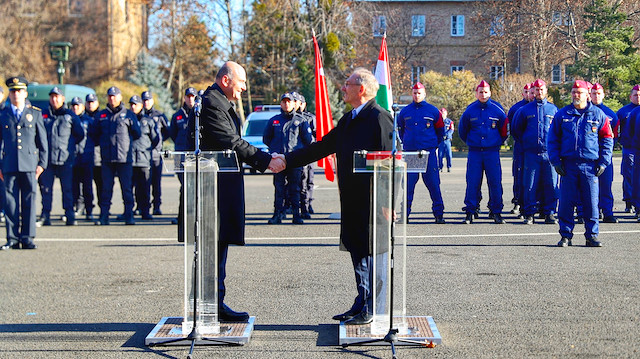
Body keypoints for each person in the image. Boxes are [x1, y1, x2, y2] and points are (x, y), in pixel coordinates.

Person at [281, 68, 396, 326]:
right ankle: (361, 300)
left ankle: (372, 308)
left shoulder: (380, 118)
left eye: (347, 84)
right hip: (352, 199)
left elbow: (390, 163)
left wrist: (389, 201)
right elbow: (321, 147)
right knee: (357, 249)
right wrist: (286, 159)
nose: (342, 88)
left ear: (361, 88)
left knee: (372, 252)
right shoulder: (348, 119)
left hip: (373, 200)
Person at [197, 61, 284, 322]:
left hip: (220, 187)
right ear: (226, 80)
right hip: (214, 191)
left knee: (219, 248)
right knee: (214, 248)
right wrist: (265, 159)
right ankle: (211, 305)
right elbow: (231, 141)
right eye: (242, 82)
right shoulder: (213, 104)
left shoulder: (219, 101)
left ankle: (215, 302)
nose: (245, 88)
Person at [547, 80, 613, 247]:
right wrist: (555, 161)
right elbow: (552, 139)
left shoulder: (598, 115)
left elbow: (607, 138)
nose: (576, 95)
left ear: (587, 94)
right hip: (568, 165)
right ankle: (566, 235)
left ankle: (592, 236)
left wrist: (604, 162)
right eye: (574, 92)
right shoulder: (562, 115)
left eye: (580, 92)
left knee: (591, 203)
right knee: (566, 202)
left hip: (590, 166)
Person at [0, 77, 48, 250]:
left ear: (25, 93)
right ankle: (12, 238)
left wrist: (42, 163)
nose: (16, 94)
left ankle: (27, 237)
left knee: (29, 200)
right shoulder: (3, 114)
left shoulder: (34, 113)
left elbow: (42, 141)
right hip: (9, 165)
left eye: (19, 91)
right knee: (10, 203)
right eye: (13, 91)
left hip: (29, 164)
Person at [458, 80, 508, 224]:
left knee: (495, 182)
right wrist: (471, 142)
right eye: (481, 92)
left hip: (492, 152)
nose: (483, 94)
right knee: (473, 182)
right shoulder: (470, 110)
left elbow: (504, 131)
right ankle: (470, 211)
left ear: (490, 93)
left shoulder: (497, 110)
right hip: (475, 152)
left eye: (486, 92)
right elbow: (463, 131)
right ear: (476, 93)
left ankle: (496, 211)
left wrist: (496, 142)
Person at [396, 82, 445, 223]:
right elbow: (401, 130)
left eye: (419, 93)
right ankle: (405, 214)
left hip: (428, 153)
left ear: (424, 94)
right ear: (412, 94)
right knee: (408, 186)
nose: (417, 95)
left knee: (433, 184)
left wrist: (433, 144)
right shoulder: (405, 112)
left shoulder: (434, 111)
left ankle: (438, 213)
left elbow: (440, 131)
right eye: (414, 93)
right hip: (411, 154)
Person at [92, 86, 141, 226]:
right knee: (106, 189)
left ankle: (129, 216)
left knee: (126, 188)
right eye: (110, 96)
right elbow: (94, 134)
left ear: (120, 97)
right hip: (107, 158)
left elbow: (136, 133)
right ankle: (104, 216)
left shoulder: (128, 114)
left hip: (124, 158)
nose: (112, 98)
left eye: (114, 96)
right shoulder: (101, 115)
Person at [511, 79, 558, 224]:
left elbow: (558, 131)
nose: (539, 92)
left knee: (551, 184)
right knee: (529, 184)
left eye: (542, 89)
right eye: (536, 89)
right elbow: (516, 130)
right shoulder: (524, 110)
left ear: (546, 91)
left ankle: (549, 212)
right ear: (533, 91)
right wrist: (528, 143)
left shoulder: (553, 110)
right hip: (531, 154)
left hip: (549, 154)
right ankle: (529, 213)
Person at [263, 92, 313, 224]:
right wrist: (275, 151)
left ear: (293, 104)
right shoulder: (274, 120)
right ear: (281, 103)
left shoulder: (301, 121)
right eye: (284, 101)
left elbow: (308, 140)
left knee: (295, 188)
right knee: (279, 188)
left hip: (294, 160)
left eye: (289, 101)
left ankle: (296, 214)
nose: (286, 104)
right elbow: (266, 138)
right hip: (278, 160)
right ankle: (278, 214)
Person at [38, 87, 85, 226]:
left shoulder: (70, 115)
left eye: (57, 96)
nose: (54, 99)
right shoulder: (44, 114)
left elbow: (80, 134)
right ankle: (45, 215)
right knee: (46, 189)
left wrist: (69, 146)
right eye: (52, 97)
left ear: (63, 98)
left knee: (67, 189)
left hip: (65, 159)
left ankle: (69, 215)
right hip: (48, 159)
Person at [169, 87, 196, 236]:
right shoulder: (177, 116)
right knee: (184, 187)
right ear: (184, 98)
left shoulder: (200, 114)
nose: (190, 99)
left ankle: (192, 215)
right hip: (181, 155)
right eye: (188, 97)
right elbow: (172, 134)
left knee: (193, 187)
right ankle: (183, 216)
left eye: (193, 96)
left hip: (194, 156)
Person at [590, 83, 619, 223]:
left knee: (606, 185)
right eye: (593, 93)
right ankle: (587, 212)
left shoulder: (610, 114)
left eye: (599, 93)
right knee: (586, 187)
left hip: (604, 155)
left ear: (603, 95)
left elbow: (614, 135)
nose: (596, 96)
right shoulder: (585, 111)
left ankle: (607, 212)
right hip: (588, 155)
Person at [130, 95, 160, 220]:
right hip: (130, 159)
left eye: (135, 104)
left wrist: (146, 151)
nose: (133, 106)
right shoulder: (127, 119)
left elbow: (156, 139)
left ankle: (145, 211)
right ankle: (130, 210)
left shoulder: (148, 121)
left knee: (145, 186)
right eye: (131, 104)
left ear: (141, 106)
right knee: (130, 187)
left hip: (144, 159)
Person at [141, 91, 169, 215]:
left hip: (156, 154)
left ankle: (156, 206)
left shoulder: (160, 115)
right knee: (142, 182)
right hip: (143, 155)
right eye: (144, 100)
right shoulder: (139, 115)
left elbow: (168, 132)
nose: (146, 102)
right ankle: (141, 205)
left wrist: (160, 141)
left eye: (148, 100)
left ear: (152, 101)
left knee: (156, 182)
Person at [507, 83, 532, 216]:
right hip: (521, 147)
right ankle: (518, 201)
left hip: (535, 149)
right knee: (519, 175)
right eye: (526, 91)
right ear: (522, 93)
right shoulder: (515, 108)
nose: (529, 94)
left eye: (531, 91)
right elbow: (513, 129)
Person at [71, 96, 96, 221]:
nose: (75, 108)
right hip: (73, 158)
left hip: (86, 157)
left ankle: (89, 210)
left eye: (78, 105)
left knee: (87, 186)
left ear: (82, 107)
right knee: (74, 186)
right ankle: (78, 207)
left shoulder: (89, 121)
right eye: (73, 105)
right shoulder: (69, 119)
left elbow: (96, 137)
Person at [616, 84, 639, 213]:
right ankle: (629, 202)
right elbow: (616, 128)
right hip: (629, 148)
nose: (638, 97)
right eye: (636, 95)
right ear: (631, 97)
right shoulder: (623, 111)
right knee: (628, 175)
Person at [296, 93, 317, 218]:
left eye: (300, 103)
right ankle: (291, 205)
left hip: (308, 153)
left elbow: (315, 135)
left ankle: (307, 204)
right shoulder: (289, 118)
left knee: (308, 180)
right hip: (295, 153)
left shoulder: (310, 118)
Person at [85, 94, 103, 210]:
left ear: (97, 103)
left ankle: (103, 208)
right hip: (85, 156)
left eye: (93, 102)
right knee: (86, 186)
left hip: (99, 157)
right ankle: (87, 208)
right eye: (89, 102)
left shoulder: (102, 116)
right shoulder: (81, 117)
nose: (90, 104)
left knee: (101, 184)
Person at [438, 107, 454, 172]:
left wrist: (447, 135)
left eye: (444, 113)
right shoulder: (438, 122)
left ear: (446, 113)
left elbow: (451, 129)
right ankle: (440, 167)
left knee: (449, 154)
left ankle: (449, 167)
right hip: (441, 140)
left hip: (447, 140)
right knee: (440, 155)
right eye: (441, 113)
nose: (443, 114)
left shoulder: (449, 121)